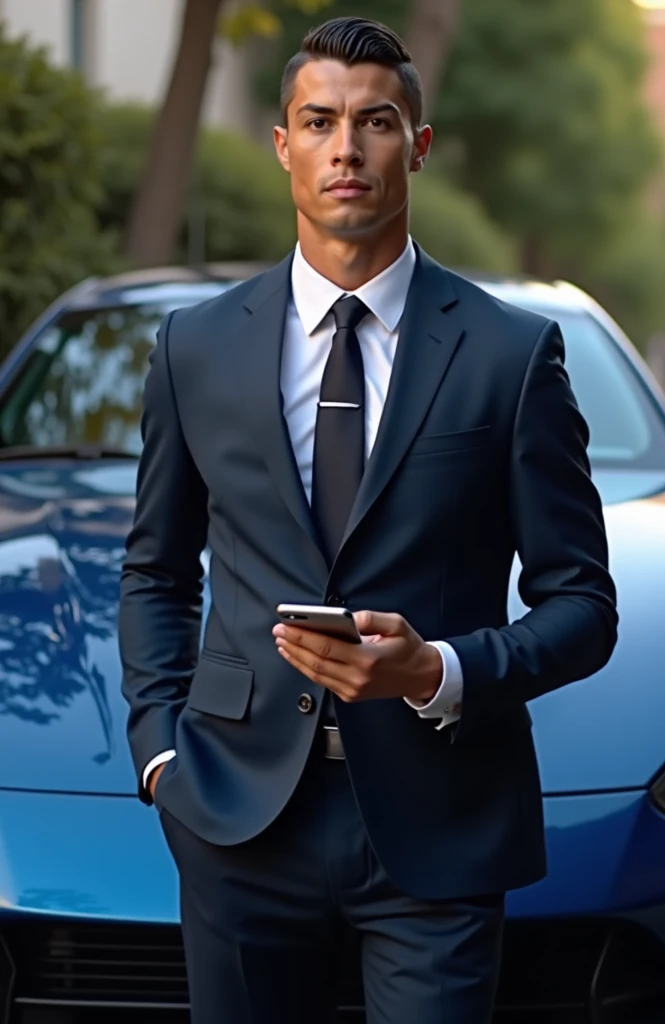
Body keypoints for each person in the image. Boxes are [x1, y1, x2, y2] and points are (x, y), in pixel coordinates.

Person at [119, 16, 618, 1024]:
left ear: (416, 145)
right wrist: (160, 754)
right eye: (318, 121)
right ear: (283, 145)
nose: (346, 148)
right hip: (235, 815)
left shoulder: (510, 356)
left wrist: (439, 670)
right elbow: (154, 571)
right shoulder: (195, 348)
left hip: (439, 825)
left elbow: (582, 604)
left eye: (375, 121)